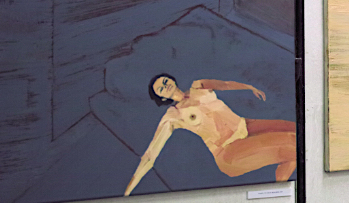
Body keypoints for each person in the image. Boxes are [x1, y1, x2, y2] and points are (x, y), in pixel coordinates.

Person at [124, 74, 296, 196]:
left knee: (298, 131)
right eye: (161, 89)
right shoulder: (173, 116)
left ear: (172, 79)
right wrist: (127, 193)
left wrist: (248, 87)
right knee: (293, 143)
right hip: (228, 151)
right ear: (161, 97)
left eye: (165, 81)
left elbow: (225, 84)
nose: (165, 85)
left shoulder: (198, 86)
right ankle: (278, 196)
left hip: (246, 126)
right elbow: (150, 156)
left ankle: (279, 193)